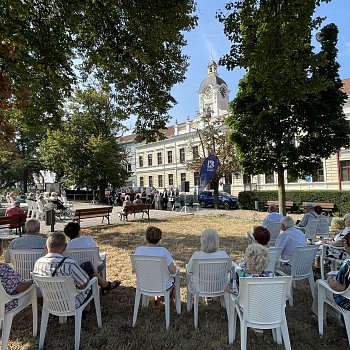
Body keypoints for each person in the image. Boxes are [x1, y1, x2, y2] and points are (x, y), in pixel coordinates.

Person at [34, 232, 119, 302]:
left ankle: (105, 286)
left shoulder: (38, 263)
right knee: (88, 277)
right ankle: (103, 287)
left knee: (87, 265)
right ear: (65, 247)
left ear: (46, 247)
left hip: (50, 302)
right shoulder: (70, 263)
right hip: (72, 302)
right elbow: (84, 285)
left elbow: (38, 285)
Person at [311, 233, 350, 324]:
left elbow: (337, 287)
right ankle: (333, 316)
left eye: (345, 242)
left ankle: (319, 316)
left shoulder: (347, 264)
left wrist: (329, 278)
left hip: (346, 301)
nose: (343, 244)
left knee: (319, 284)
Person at [0, 238, 32, 313]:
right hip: (3, 306)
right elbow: (20, 288)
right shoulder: (4, 268)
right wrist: (30, 283)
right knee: (30, 291)